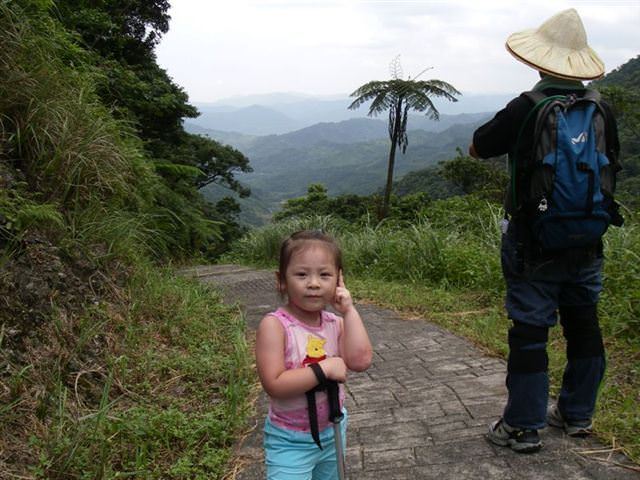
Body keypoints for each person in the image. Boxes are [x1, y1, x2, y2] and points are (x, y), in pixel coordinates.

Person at [469, 9, 621, 453]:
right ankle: (576, 415)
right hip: (589, 239)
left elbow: (479, 146)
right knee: (584, 322)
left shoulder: (526, 106)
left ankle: (522, 426)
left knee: (530, 330)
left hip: (533, 242)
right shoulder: (601, 109)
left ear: (541, 61)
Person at [255, 230, 373, 478]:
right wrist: (324, 369)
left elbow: (360, 361)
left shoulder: (335, 323)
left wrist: (349, 312)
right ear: (282, 280)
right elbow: (274, 384)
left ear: (339, 280)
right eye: (301, 274)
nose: (314, 283)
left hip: (333, 432)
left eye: (325, 275)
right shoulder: (275, 326)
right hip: (289, 440)